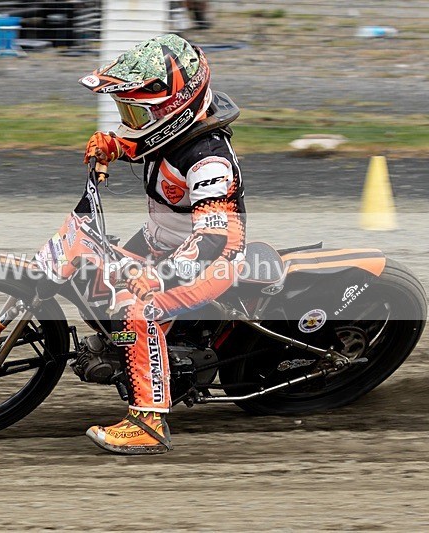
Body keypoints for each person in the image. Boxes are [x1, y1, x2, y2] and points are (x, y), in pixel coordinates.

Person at [79, 34, 246, 454]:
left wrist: (158, 277)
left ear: (173, 110)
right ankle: (125, 351)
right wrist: (117, 145)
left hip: (212, 259)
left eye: (135, 112)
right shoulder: (174, 132)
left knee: (140, 311)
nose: (129, 119)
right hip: (164, 240)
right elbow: (150, 144)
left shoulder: (210, 163)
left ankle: (149, 423)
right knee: (99, 274)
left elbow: (210, 240)